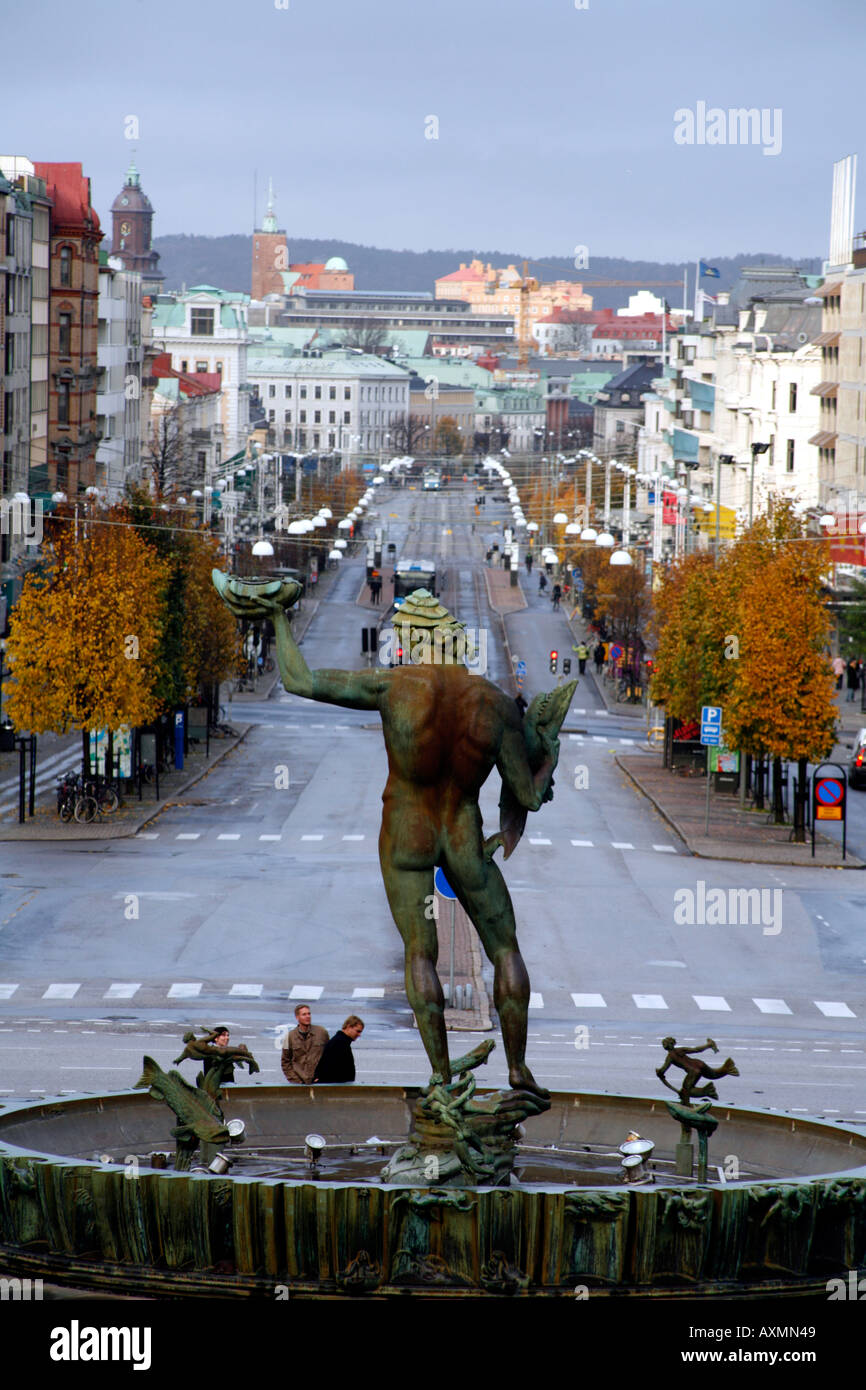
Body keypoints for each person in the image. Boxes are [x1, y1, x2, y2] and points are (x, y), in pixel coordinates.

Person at [214, 574, 576, 1098]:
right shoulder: (492, 703)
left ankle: (441, 1076)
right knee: (505, 950)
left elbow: (300, 681)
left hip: (407, 834)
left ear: (412, 643)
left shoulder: (393, 687)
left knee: (419, 953)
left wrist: (276, 616)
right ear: (458, 645)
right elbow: (528, 793)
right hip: (464, 836)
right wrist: (549, 752)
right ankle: (518, 1070)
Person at [281, 1004, 329, 1084]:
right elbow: (285, 1062)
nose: (308, 1016)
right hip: (299, 1082)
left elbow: (329, 1056)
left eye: (309, 1014)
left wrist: (322, 1076)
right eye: (304, 1014)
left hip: (319, 1081)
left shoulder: (322, 1032)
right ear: (297, 1017)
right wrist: (296, 1080)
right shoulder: (289, 1037)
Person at [315, 1015, 364, 1083]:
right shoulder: (339, 1043)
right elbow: (330, 1069)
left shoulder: (340, 1041)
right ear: (349, 1027)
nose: (359, 1035)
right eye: (358, 1031)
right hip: (334, 1087)